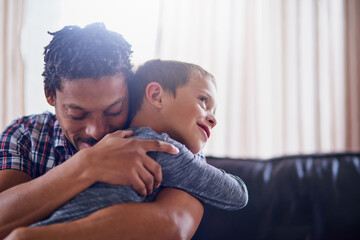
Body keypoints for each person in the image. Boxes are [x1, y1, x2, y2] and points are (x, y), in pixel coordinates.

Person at [0, 23, 204, 240]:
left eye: (114, 110)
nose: (97, 131)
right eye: (77, 113)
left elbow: (174, 226)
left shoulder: (169, 137)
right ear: (50, 95)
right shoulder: (25, 135)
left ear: (128, 90)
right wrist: (87, 165)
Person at [30, 59, 248, 226]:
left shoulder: (116, 141)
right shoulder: (162, 149)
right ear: (156, 95)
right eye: (203, 100)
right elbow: (237, 194)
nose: (213, 118)